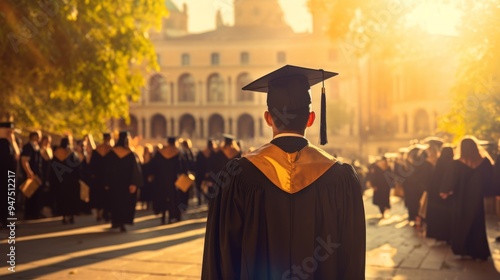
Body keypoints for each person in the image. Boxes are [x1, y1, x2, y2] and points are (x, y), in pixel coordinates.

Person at [202, 65, 366, 279]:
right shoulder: (340, 178)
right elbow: (351, 260)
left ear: (268, 118)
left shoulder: (237, 175)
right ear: (311, 119)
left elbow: (221, 257)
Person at [440, 136, 493, 260]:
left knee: (460, 223)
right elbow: (490, 178)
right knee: (477, 225)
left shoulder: (456, 164)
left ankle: (463, 249)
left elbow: (450, 180)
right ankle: (479, 251)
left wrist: (445, 192)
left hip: (460, 199)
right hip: (477, 200)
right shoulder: (484, 162)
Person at [104, 131, 143, 232]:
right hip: (126, 184)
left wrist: (107, 183)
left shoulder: (111, 153)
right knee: (124, 203)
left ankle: (115, 221)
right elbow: (135, 170)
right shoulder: (130, 154)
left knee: (114, 202)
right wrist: (134, 183)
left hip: (114, 184)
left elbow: (106, 169)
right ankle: (122, 223)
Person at [149, 137, 185, 224]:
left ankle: (163, 216)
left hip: (161, 180)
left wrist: (153, 176)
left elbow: (153, 165)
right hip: (174, 180)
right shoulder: (177, 153)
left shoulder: (160, 153)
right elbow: (181, 168)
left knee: (163, 198)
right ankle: (173, 216)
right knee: (173, 199)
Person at [425, 145, 454, 242]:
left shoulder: (438, 164)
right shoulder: (453, 164)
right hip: (449, 195)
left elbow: (432, 181)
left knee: (439, 217)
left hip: (436, 195)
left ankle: (439, 235)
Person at [49, 137, 81, 224]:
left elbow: (53, 168)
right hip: (72, 181)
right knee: (71, 199)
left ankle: (64, 216)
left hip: (61, 180)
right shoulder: (73, 154)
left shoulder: (57, 154)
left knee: (62, 198)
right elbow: (77, 168)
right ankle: (71, 216)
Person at [88, 133, 113, 222]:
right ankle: (105, 213)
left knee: (98, 196)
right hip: (108, 177)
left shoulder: (96, 150)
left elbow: (91, 164)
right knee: (106, 196)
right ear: (109, 138)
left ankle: (98, 214)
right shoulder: (111, 150)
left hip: (97, 177)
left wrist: (92, 175)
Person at [0, 122, 20, 228]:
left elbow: (16, 156)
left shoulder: (9, 143)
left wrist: (11, 140)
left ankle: (5, 220)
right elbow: (16, 155)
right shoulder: (6, 144)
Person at [20, 131, 43, 219]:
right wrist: (29, 172)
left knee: (37, 194)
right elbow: (24, 161)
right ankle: (29, 214)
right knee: (29, 194)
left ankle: (35, 213)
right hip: (31, 174)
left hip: (37, 174)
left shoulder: (37, 147)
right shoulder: (28, 147)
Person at [195, 139, 217, 205]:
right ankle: (208, 200)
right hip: (210, 174)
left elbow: (197, 165)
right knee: (210, 187)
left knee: (200, 187)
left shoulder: (200, 153)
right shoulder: (214, 154)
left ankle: (200, 201)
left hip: (200, 173)